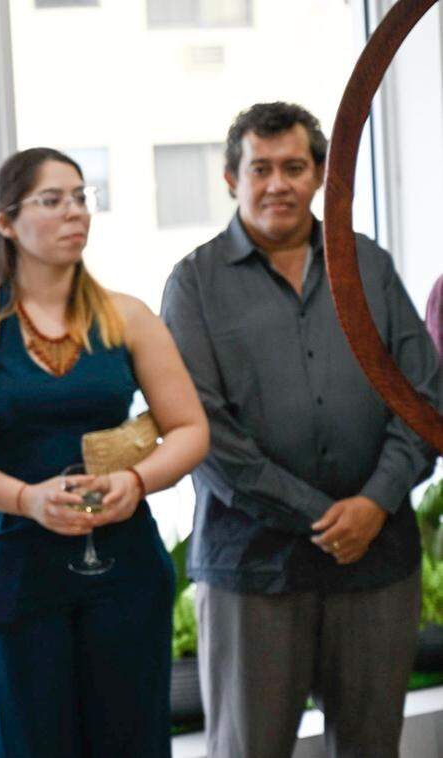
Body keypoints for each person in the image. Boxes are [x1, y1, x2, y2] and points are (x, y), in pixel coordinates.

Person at [161, 101, 440, 758]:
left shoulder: (369, 265)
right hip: (253, 571)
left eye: (294, 166)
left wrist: (375, 502)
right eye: (261, 168)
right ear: (232, 179)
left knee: (372, 749)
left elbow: (422, 395)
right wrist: (325, 517)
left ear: (320, 176)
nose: (277, 183)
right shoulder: (192, 283)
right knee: (247, 749)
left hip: (378, 564)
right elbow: (203, 431)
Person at [0, 146, 209, 757]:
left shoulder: (127, 316)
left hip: (124, 564)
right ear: (6, 221)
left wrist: (138, 482)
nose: (75, 213)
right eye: (53, 200)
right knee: (30, 741)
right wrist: (25, 499)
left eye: (82, 198)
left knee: (132, 740)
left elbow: (191, 428)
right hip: (18, 566)